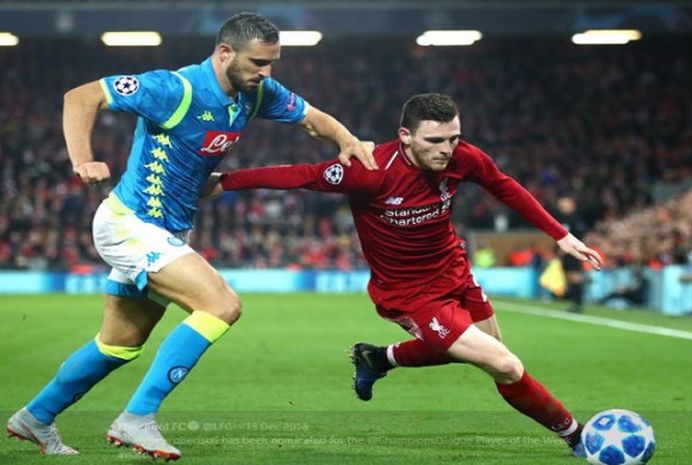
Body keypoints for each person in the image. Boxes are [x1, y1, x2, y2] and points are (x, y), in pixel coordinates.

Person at [6, 12, 375, 460]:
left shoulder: (254, 94)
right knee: (221, 305)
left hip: (167, 230)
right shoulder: (174, 89)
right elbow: (81, 97)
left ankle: (36, 417)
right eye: (259, 62)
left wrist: (348, 140)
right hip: (131, 224)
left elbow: (312, 119)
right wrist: (83, 159)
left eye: (272, 62)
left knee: (118, 345)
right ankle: (137, 418)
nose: (267, 72)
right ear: (225, 53)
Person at [213, 93, 603, 457]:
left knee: (490, 350)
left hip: (455, 271)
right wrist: (223, 182)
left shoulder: (464, 158)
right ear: (405, 136)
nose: (447, 149)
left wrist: (562, 235)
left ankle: (380, 358)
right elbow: (298, 175)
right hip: (409, 293)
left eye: (453, 138)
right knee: (505, 365)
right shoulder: (369, 171)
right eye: (435, 140)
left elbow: (504, 187)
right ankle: (577, 436)